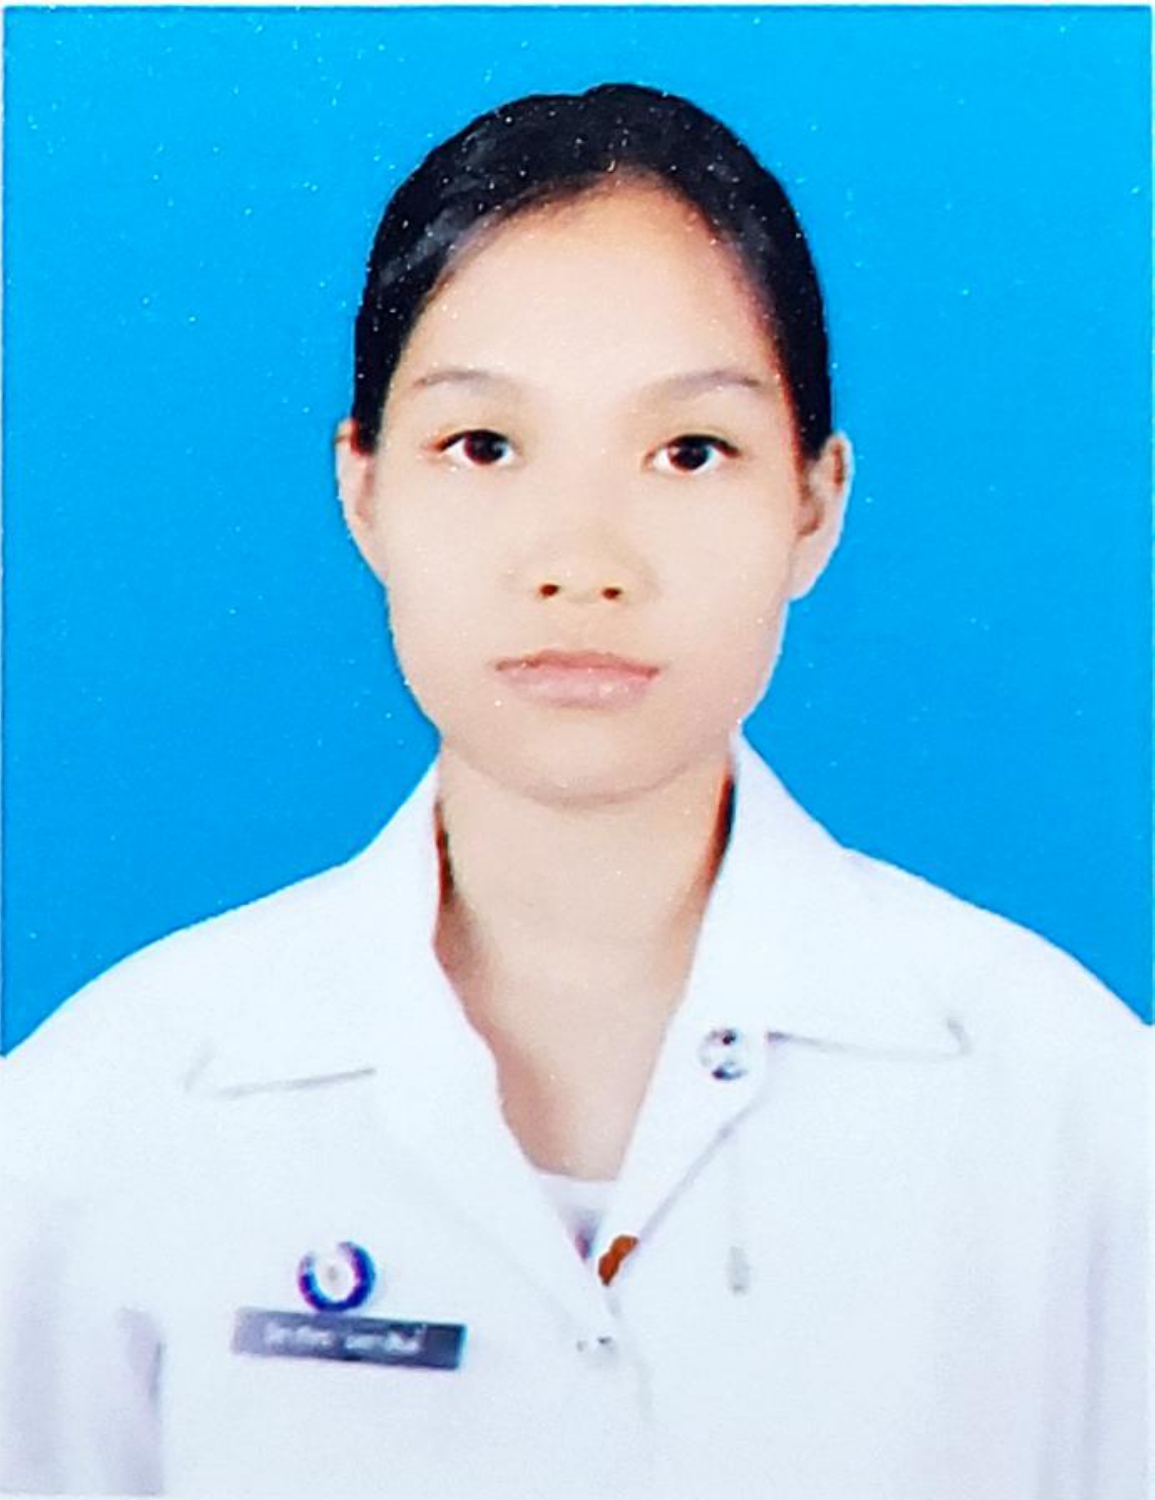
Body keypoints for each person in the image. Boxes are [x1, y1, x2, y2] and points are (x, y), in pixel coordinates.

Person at [0, 82, 1146, 1500]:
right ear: (363, 491)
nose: (582, 561)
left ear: (815, 503)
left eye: (689, 452)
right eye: (483, 446)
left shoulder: (1078, 1121)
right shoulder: (101, 1121)